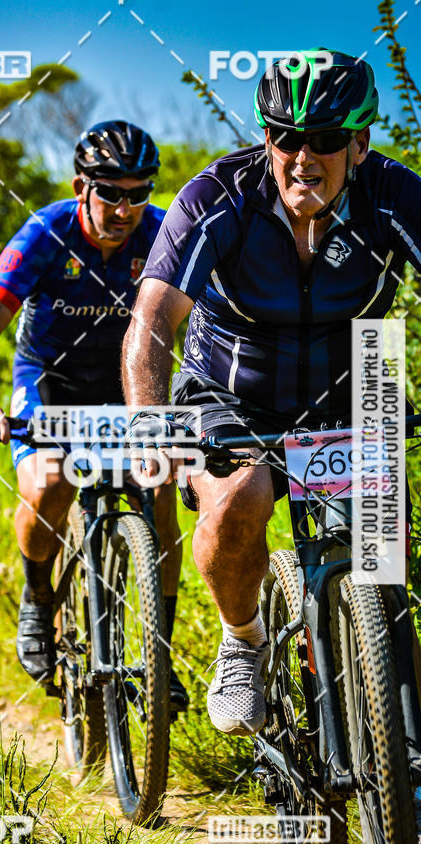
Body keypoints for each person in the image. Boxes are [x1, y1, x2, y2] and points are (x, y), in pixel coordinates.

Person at [122, 50, 421, 735]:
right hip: (234, 386)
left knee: (385, 564)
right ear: (266, 139)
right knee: (235, 503)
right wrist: (148, 423)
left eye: (323, 140)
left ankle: (405, 754)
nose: (302, 158)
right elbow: (152, 322)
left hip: (357, 380)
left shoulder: (396, 196)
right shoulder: (219, 196)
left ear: (360, 142)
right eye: (286, 137)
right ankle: (244, 636)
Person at [0, 120, 187, 709]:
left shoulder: (162, 234)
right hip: (49, 381)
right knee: (52, 483)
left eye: (140, 193)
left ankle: (159, 652)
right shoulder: (46, 231)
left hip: (126, 384)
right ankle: (37, 604)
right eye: (111, 191)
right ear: (81, 185)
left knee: (161, 497)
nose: (125, 207)